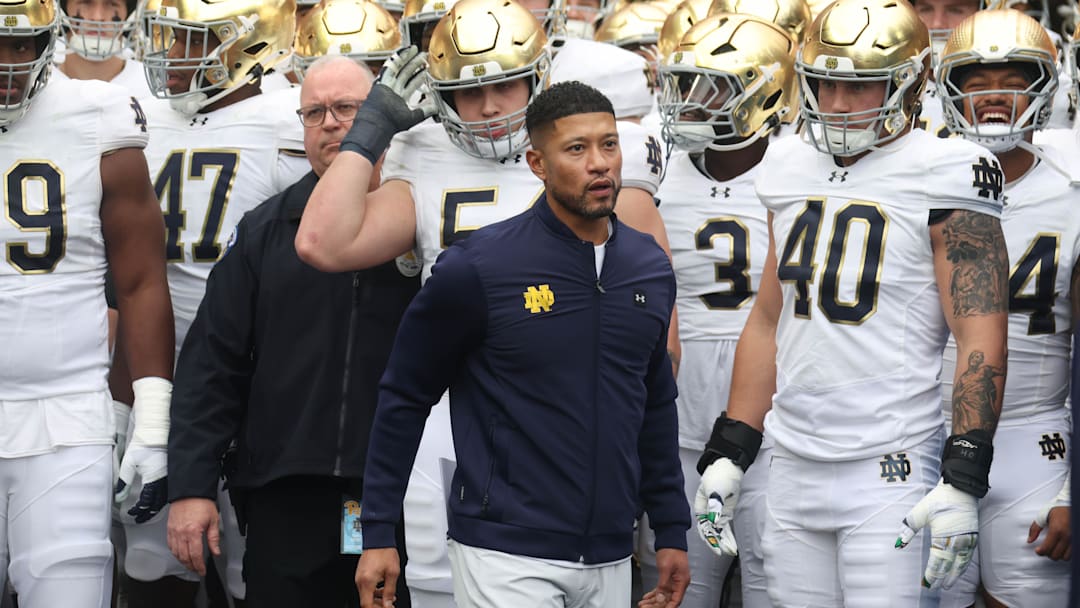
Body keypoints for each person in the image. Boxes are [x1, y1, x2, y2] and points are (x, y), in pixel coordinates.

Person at [296, 2, 674, 604]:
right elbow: (321, 242)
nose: (492, 107)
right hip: (448, 418)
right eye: (470, 93)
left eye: (504, 84)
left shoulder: (586, 155)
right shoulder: (421, 150)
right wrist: (370, 131)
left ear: (537, 76)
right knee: (435, 587)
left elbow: (654, 340)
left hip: (558, 428)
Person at [693, 0, 1009, 606]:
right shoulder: (786, 163)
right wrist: (733, 447)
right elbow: (768, 318)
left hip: (888, 463)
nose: (837, 103)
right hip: (790, 458)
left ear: (910, 81)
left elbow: (979, 335)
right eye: (827, 82)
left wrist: (964, 473)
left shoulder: (948, 169)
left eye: (860, 85)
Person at [164, 55, 418, 608]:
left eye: (348, 108)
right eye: (314, 113)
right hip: (286, 492)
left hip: (400, 491)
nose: (330, 123)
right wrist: (190, 486)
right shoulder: (266, 228)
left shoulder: (422, 217)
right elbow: (212, 363)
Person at [110, 0, 309, 606]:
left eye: (188, 40)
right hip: (156, 377)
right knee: (149, 557)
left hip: (250, 382)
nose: (167, 54)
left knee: (255, 562)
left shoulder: (287, 117)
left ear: (245, 43)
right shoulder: (141, 115)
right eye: (165, 37)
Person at [0, 0, 174, 606]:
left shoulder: (96, 116)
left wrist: (151, 419)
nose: (7, 63)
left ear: (51, 40)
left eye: (20, 44)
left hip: (68, 413)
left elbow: (142, 278)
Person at [648, 14, 796, 608]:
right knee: (678, 588)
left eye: (714, 87)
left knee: (777, 587)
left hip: (777, 422)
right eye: (685, 85)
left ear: (767, 95)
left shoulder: (801, 168)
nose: (692, 102)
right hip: (678, 419)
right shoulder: (650, 166)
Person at [935, 9, 1076, 608]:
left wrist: (1074, 485)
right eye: (975, 79)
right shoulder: (919, 183)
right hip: (927, 437)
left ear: (1044, 86)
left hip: (1034, 443)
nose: (994, 95)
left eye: (1014, 77)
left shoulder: (1069, 197)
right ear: (948, 89)